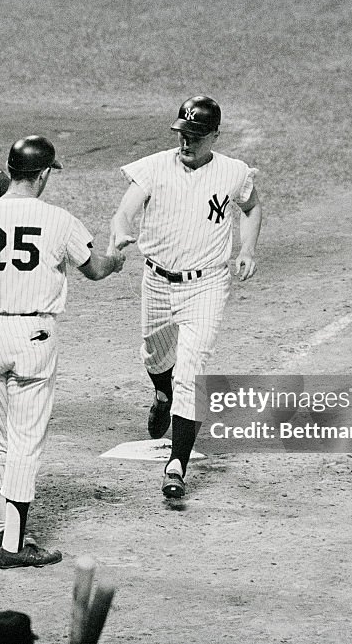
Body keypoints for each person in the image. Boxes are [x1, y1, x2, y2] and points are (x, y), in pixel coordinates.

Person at [0, 136, 124, 569]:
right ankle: (15, 546)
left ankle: (1, 524)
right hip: (32, 337)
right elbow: (96, 270)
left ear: (10, 170)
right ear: (43, 174)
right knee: (25, 440)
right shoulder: (58, 220)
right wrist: (116, 259)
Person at [109, 95, 263, 499]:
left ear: (214, 135)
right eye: (182, 133)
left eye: (196, 136)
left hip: (208, 284)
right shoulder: (155, 167)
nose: (186, 142)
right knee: (155, 356)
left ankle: (177, 463)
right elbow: (125, 210)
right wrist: (122, 229)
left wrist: (246, 249)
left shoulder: (234, 172)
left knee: (191, 369)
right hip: (157, 282)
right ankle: (162, 393)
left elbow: (251, 207)